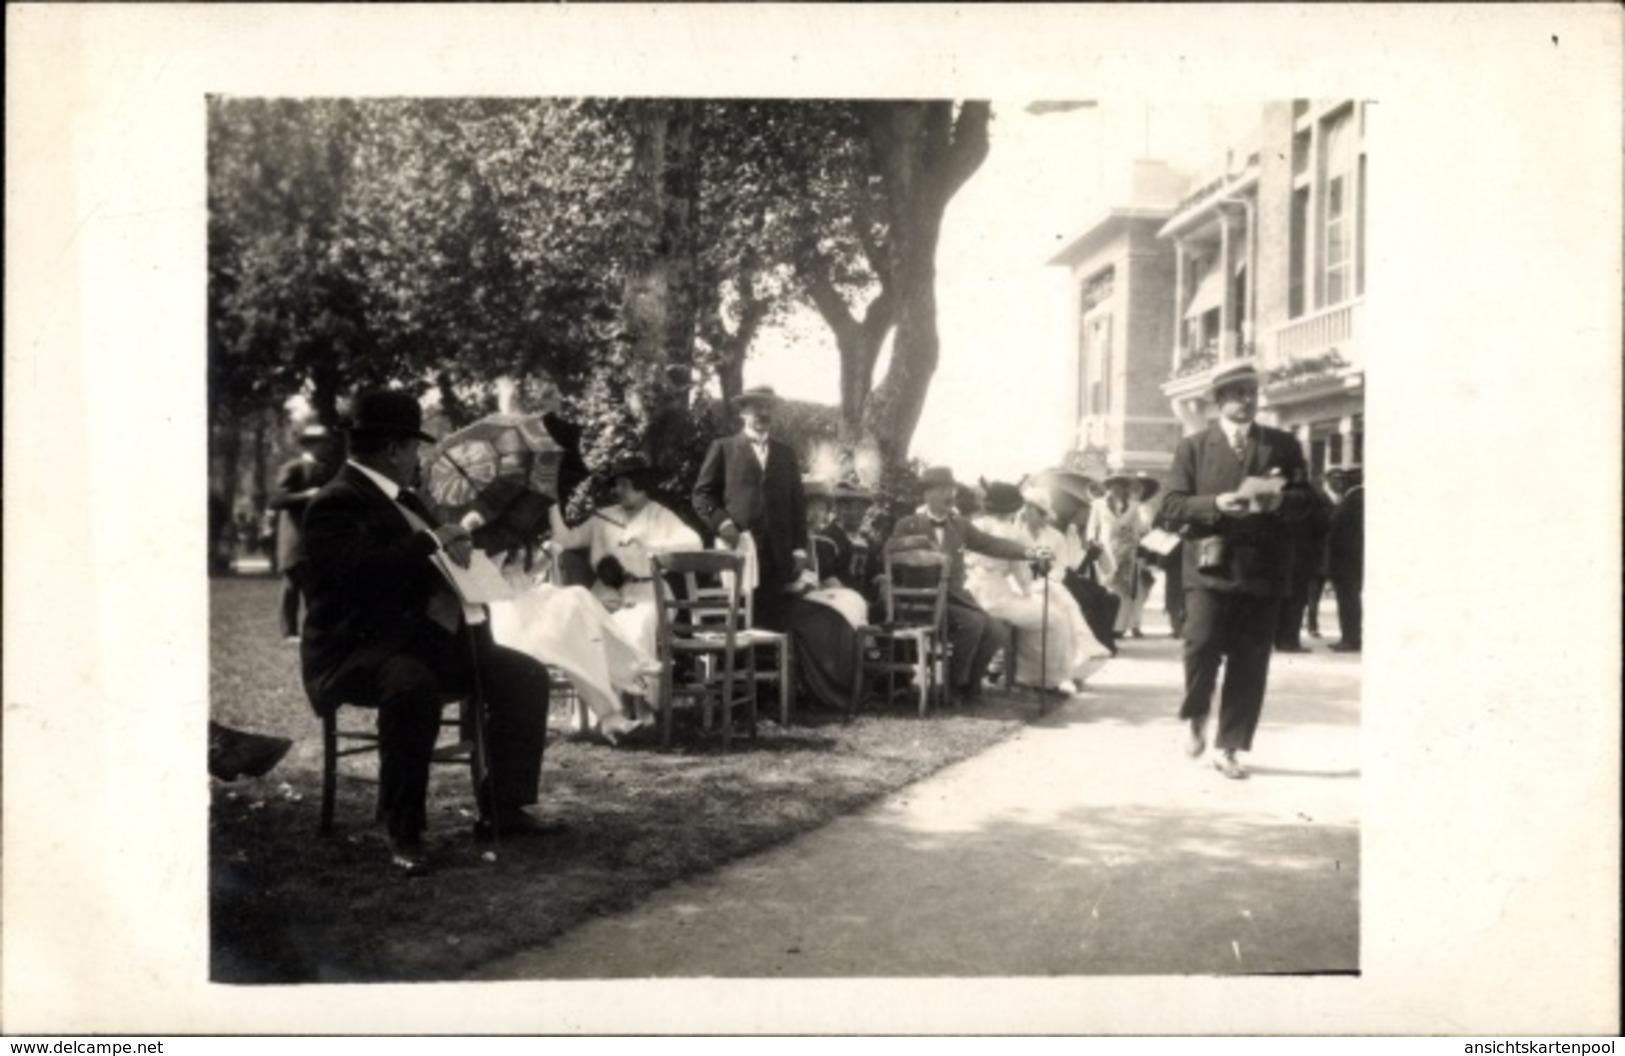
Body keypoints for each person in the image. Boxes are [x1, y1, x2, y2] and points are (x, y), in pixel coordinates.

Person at [300, 390, 554, 876]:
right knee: (412, 690)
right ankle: (406, 832)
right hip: (360, 648)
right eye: (416, 448)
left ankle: (504, 807)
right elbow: (357, 575)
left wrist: (459, 549)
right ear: (395, 449)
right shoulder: (334, 503)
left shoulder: (409, 499)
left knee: (524, 676)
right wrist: (431, 542)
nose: (419, 458)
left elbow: (424, 555)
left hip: (420, 641)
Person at [1159, 362, 1311, 780]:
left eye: (1252, 393)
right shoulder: (1193, 447)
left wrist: (1279, 502)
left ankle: (1229, 748)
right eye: (1238, 393)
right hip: (1210, 565)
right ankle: (1195, 715)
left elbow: (1306, 500)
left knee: (1250, 663)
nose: (1247, 400)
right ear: (1218, 400)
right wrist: (1214, 504)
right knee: (1201, 644)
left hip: (1263, 571)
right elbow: (1169, 506)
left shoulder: (1282, 444)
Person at [693, 387, 862, 713]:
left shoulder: (785, 453)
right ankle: (738, 699)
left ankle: (769, 695)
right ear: (743, 413)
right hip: (740, 551)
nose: (762, 415)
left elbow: (798, 508)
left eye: (767, 409)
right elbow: (701, 496)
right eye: (755, 409)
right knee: (741, 618)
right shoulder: (724, 449)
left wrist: (799, 550)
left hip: (779, 553)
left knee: (772, 618)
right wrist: (723, 524)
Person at [886, 466, 1051, 702]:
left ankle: (970, 687)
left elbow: (992, 544)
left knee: (997, 632)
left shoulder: (959, 525)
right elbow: (889, 551)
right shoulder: (907, 524)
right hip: (920, 602)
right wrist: (920, 543)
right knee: (973, 623)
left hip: (955, 598)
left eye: (951, 489)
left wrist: (1030, 552)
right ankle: (954, 686)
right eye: (942, 489)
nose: (949, 494)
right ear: (927, 494)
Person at [547, 455, 703, 665]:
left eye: (625, 485)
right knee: (589, 632)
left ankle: (636, 694)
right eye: (616, 485)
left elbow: (694, 543)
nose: (617, 491)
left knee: (633, 631)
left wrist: (651, 546)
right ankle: (606, 696)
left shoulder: (659, 515)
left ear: (643, 486)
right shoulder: (603, 517)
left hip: (648, 594)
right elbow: (566, 540)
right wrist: (551, 505)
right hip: (605, 592)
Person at [965, 482, 1111, 692]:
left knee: (1052, 604)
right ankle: (1037, 678)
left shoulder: (975, 525)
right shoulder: (1013, 533)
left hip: (971, 589)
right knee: (1052, 619)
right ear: (1016, 508)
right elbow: (1021, 573)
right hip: (995, 594)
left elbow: (1059, 567)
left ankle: (1027, 671)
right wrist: (1027, 591)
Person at [269, 424, 340, 640]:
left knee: (316, 586)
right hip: (295, 537)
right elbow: (276, 499)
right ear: (310, 444)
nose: (328, 446)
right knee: (292, 584)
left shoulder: (328, 471)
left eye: (328, 442)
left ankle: (316, 628)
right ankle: (289, 631)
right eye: (323, 442)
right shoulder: (293, 468)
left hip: (317, 538)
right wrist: (306, 495)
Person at [1086, 470, 1154, 642]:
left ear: (1125, 489)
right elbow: (1091, 527)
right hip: (1106, 550)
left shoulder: (1133, 505)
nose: (1117, 489)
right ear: (1107, 487)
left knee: (1128, 590)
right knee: (1109, 587)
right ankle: (1109, 625)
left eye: (1121, 486)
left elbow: (1140, 528)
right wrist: (1092, 542)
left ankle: (1126, 626)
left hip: (1128, 550)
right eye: (1113, 486)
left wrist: (1140, 532)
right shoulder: (1098, 504)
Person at [798, 478, 871, 631]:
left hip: (830, 592)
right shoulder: (823, 538)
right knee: (849, 603)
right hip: (809, 594)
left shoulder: (868, 541)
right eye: (810, 508)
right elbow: (824, 575)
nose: (816, 514)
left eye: (821, 509)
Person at [1275, 473, 1332, 652]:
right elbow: (1324, 523)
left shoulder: (1275, 490)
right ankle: (1289, 641)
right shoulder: (1314, 495)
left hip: (1276, 555)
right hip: (1303, 556)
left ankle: (1276, 639)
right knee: (1296, 599)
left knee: (1278, 599)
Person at [1326, 467, 1364, 652]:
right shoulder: (1358, 500)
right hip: (1352, 561)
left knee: (1348, 601)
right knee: (1350, 600)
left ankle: (1350, 638)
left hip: (1346, 562)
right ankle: (1350, 637)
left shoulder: (1352, 502)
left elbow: (1338, 531)